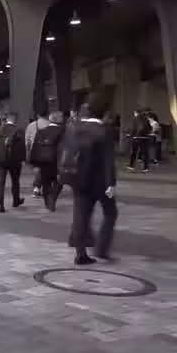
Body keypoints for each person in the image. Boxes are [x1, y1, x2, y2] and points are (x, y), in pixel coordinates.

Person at [66, 93, 117, 265]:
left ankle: (80, 253)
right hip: (100, 181)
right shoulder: (104, 130)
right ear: (104, 112)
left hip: (78, 178)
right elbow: (108, 159)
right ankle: (102, 248)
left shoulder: (74, 127)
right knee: (110, 212)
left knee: (81, 215)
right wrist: (110, 183)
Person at [0, 112, 26, 213]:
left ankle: (0, 204)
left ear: (6, 119)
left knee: (0, 182)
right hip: (14, 160)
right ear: (15, 119)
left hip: (0, 159)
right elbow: (21, 147)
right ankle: (16, 200)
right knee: (15, 181)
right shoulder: (19, 130)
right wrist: (23, 159)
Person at [35, 111, 66, 211]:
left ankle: (47, 202)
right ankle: (52, 197)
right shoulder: (63, 132)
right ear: (58, 119)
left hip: (44, 161)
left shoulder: (41, 131)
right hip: (57, 160)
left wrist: (35, 163)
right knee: (59, 182)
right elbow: (64, 148)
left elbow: (36, 147)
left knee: (45, 182)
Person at [25, 109, 50, 198]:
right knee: (45, 170)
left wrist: (27, 151)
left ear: (38, 115)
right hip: (47, 151)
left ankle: (36, 187)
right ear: (47, 115)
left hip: (34, 151)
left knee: (37, 169)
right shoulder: (50, 125)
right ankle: (38, 187)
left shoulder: (31, 125)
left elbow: (27, 140)